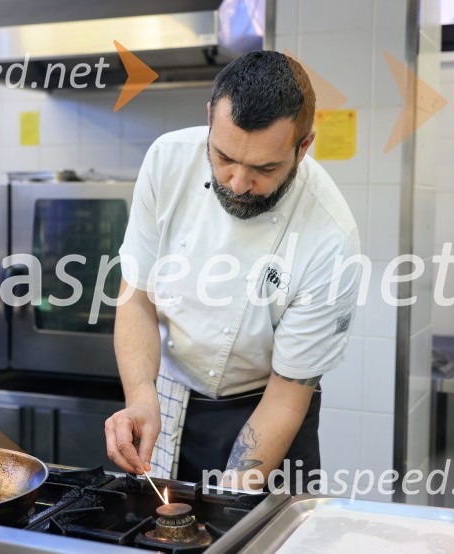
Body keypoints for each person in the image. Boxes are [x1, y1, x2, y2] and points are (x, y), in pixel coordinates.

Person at [104, 51, 361, 490]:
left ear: (303, 146)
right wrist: (141, 397)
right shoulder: (167, 161)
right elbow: (137, 294)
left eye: (265, 167)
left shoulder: (331, 237)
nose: (239, 183)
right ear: (209, 119)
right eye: (223, 156)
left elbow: (286, 395)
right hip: (170, 395)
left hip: (271, 413)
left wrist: (229, 498)